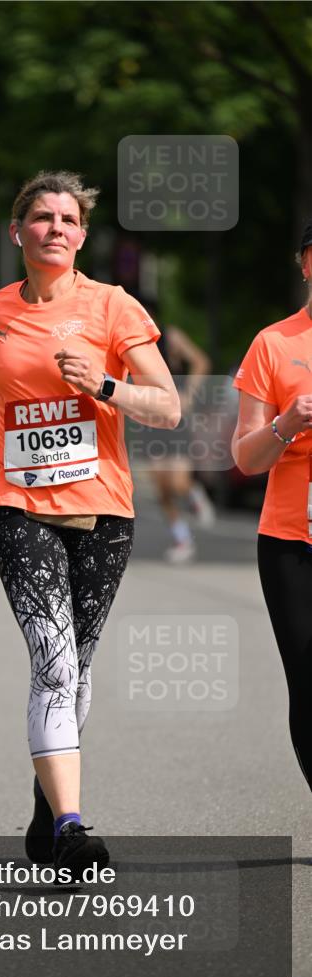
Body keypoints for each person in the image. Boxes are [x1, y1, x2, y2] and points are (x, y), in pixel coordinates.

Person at [0, 171, 180, 877]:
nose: (55, 228)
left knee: (77, 667)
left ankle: (48, 805)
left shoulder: (112, 307)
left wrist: (103, 385)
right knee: (50, 662)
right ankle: (74, 827)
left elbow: (166, 408)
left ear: (81, 237)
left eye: (68, 220)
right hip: (16, 504)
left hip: (102, 507)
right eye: (41, 218)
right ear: (17, 232)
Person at [232, 219, 312, 793]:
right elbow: (246, 458)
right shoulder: (274, 343)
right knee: (309, 682)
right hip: (292, 541)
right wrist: (287, 423)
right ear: (305, 263)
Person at [139, 298, 216, 563]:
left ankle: (194, 494)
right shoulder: (131, 343)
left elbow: (201, 362)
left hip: (175, 417)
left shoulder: (170, 337)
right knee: (162, 489)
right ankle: (182, 539)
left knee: (178, 482)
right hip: (149, 419)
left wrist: (189, 393)